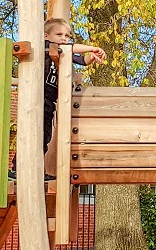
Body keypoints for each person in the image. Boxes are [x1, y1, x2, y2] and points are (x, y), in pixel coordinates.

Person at [9, 17, 106, 181]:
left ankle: (36, 170)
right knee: (32, 134)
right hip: (36, 98)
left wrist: (92, 56)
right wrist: (92, 47)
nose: (64, 38)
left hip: (49, 102)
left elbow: (82, 60)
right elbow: (70, 47)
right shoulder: (45, 47)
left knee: (44, 137)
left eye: (67, 35)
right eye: (59, 34)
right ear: (46, 36)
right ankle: (17, 169)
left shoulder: (63, 53)